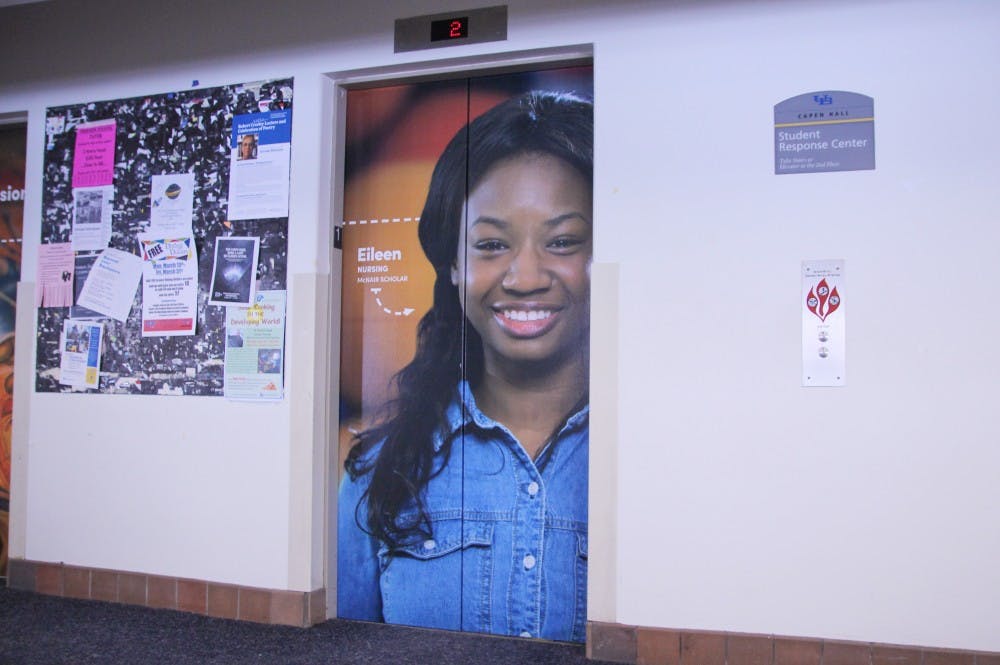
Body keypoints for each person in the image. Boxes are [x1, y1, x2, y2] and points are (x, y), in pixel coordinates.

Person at [338, 90, 593, 643]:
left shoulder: (659, 463)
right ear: (454, 265)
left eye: (564, 241)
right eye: (492, 244)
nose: (524, 277)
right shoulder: (379, 471)